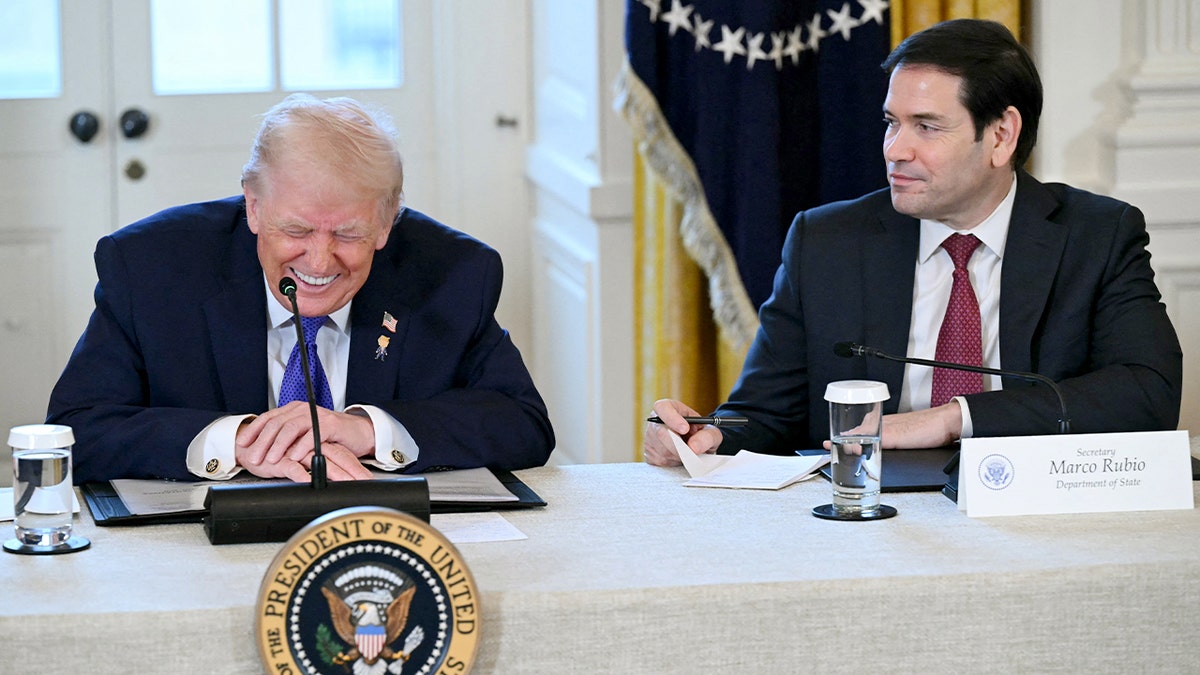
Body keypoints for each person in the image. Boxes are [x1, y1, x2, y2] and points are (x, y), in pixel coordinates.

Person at [644, 19, 1182, 467]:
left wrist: (956, 416)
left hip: (1033, 514)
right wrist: (708, 431)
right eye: (891, 123)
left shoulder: (1096, 235)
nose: (895, 150)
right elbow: (765, 413)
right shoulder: (826, 242)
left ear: (1001, 135)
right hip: (868, 516)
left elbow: (1148, 393)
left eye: (926, 127)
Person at [48, 94, 555, 483]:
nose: (318, 260)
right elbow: (76, 431)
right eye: (296, 231)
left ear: (386, 223)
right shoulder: (151, 268)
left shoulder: (453, 273)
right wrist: (238, 440)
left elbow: (523, 423)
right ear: (253, 208)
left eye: (349, 234)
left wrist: (366, 430)